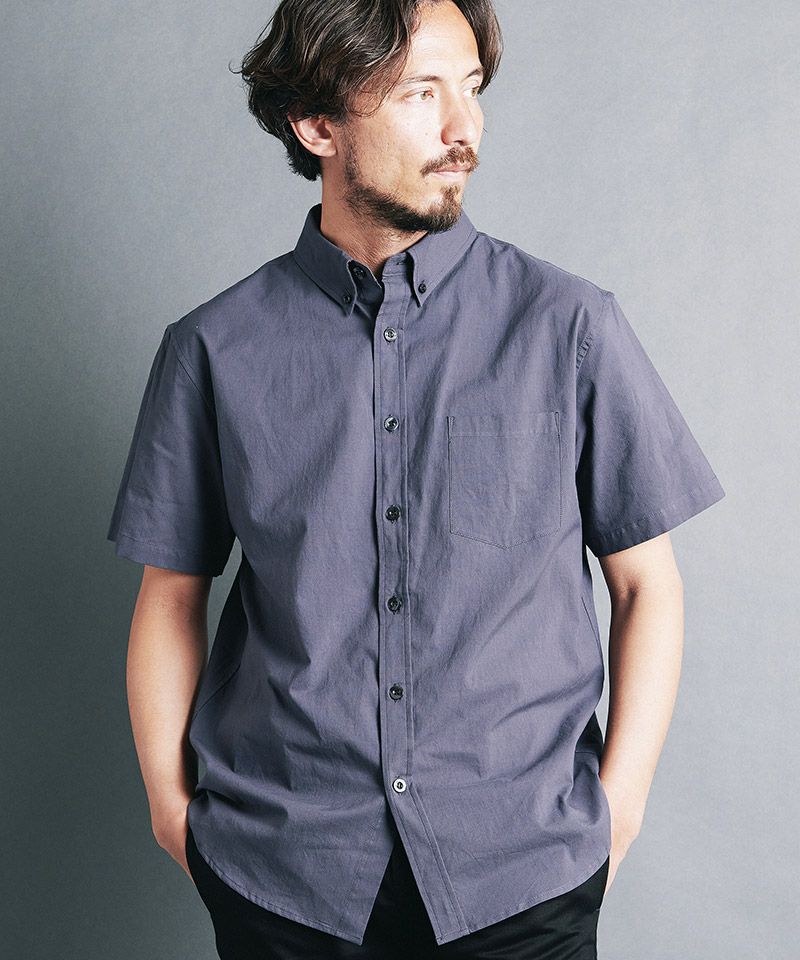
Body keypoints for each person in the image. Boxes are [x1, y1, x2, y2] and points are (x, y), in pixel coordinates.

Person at [106, 1, 726, 957]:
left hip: (522, 876)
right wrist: (170, 810)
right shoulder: (213, 348)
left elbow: (648, 584)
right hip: (287, 877)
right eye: (420, 94)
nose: (463, 127)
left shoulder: (569, 326)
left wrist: (621, 807)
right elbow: (170, 596)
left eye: (471, 89)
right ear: (317, 124)